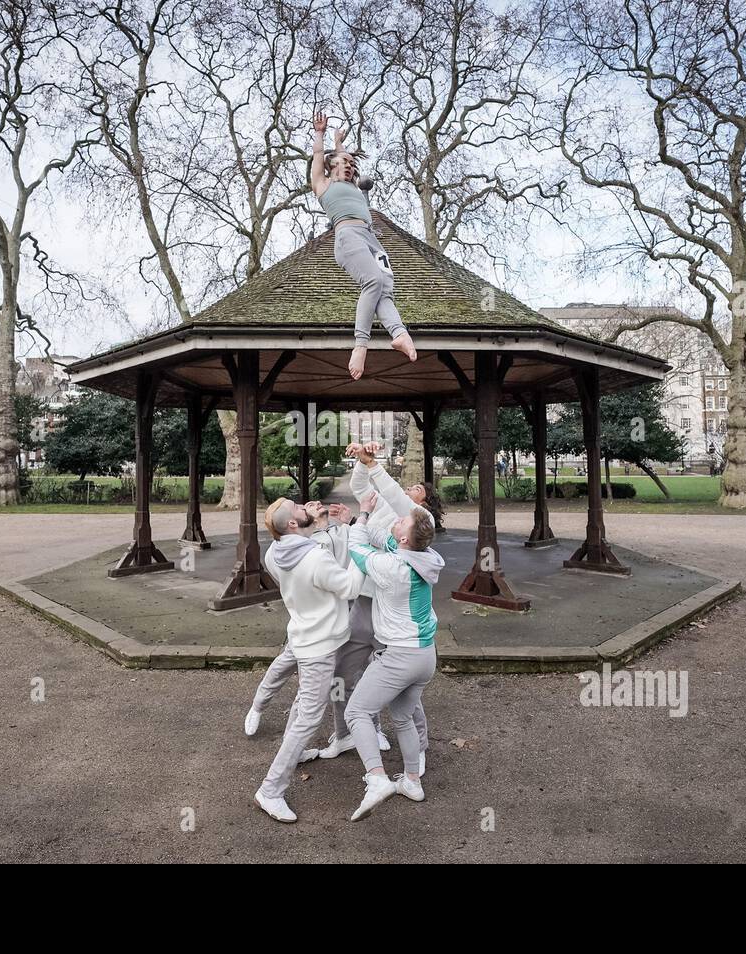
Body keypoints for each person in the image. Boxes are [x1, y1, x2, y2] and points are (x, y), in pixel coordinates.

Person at [309, 441, 441, 775]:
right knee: (343, 671)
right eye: (406, 487)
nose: (407, 491)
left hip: (390, 611)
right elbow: (361, 492)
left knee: (404, 690)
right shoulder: (387, 509)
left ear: (423, 503)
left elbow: (371, 533)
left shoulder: (413, 520)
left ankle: (418, 747)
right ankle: (345, 734)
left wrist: (373, 465)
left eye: (415, 490)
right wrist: (363, 463)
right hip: (364, 603)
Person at [253, 498, 365, 823]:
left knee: (304, 701)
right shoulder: (316, 557)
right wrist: (358, 539)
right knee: (309, 717)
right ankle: (271, 790)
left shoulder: (273, 553)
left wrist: (316, 527)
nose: (305, 506)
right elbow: (350, 587)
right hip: (321, 645)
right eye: (299, 508)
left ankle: (298, 752)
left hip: (302, 636)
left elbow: (303, 554)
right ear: (292, 523)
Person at [343, 492, 444, 821]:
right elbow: (381, 538)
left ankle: (376, 779)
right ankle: (412, 781)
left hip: (399, 656)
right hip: (425, 655)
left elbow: (357, 550)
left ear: (404, 536)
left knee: (356, 712)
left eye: (402, 520)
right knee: (402, 717)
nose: (397, 519)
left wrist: (361, 514)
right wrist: (365, 520)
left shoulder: (393, 567)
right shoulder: (423, 555)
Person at [310, 110, 417, 381]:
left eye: (351, 163)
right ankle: (360, 346)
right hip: (347, 237)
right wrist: (321, 134)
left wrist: (340, 141)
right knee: (372, 281)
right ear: (330, 166)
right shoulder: (323, 184)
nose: (350, 166)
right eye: (343, 162)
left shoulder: (354, 186)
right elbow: (320, 158)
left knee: (385, 288)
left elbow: (344, 158)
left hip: (371, 237)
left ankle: (399, 333)